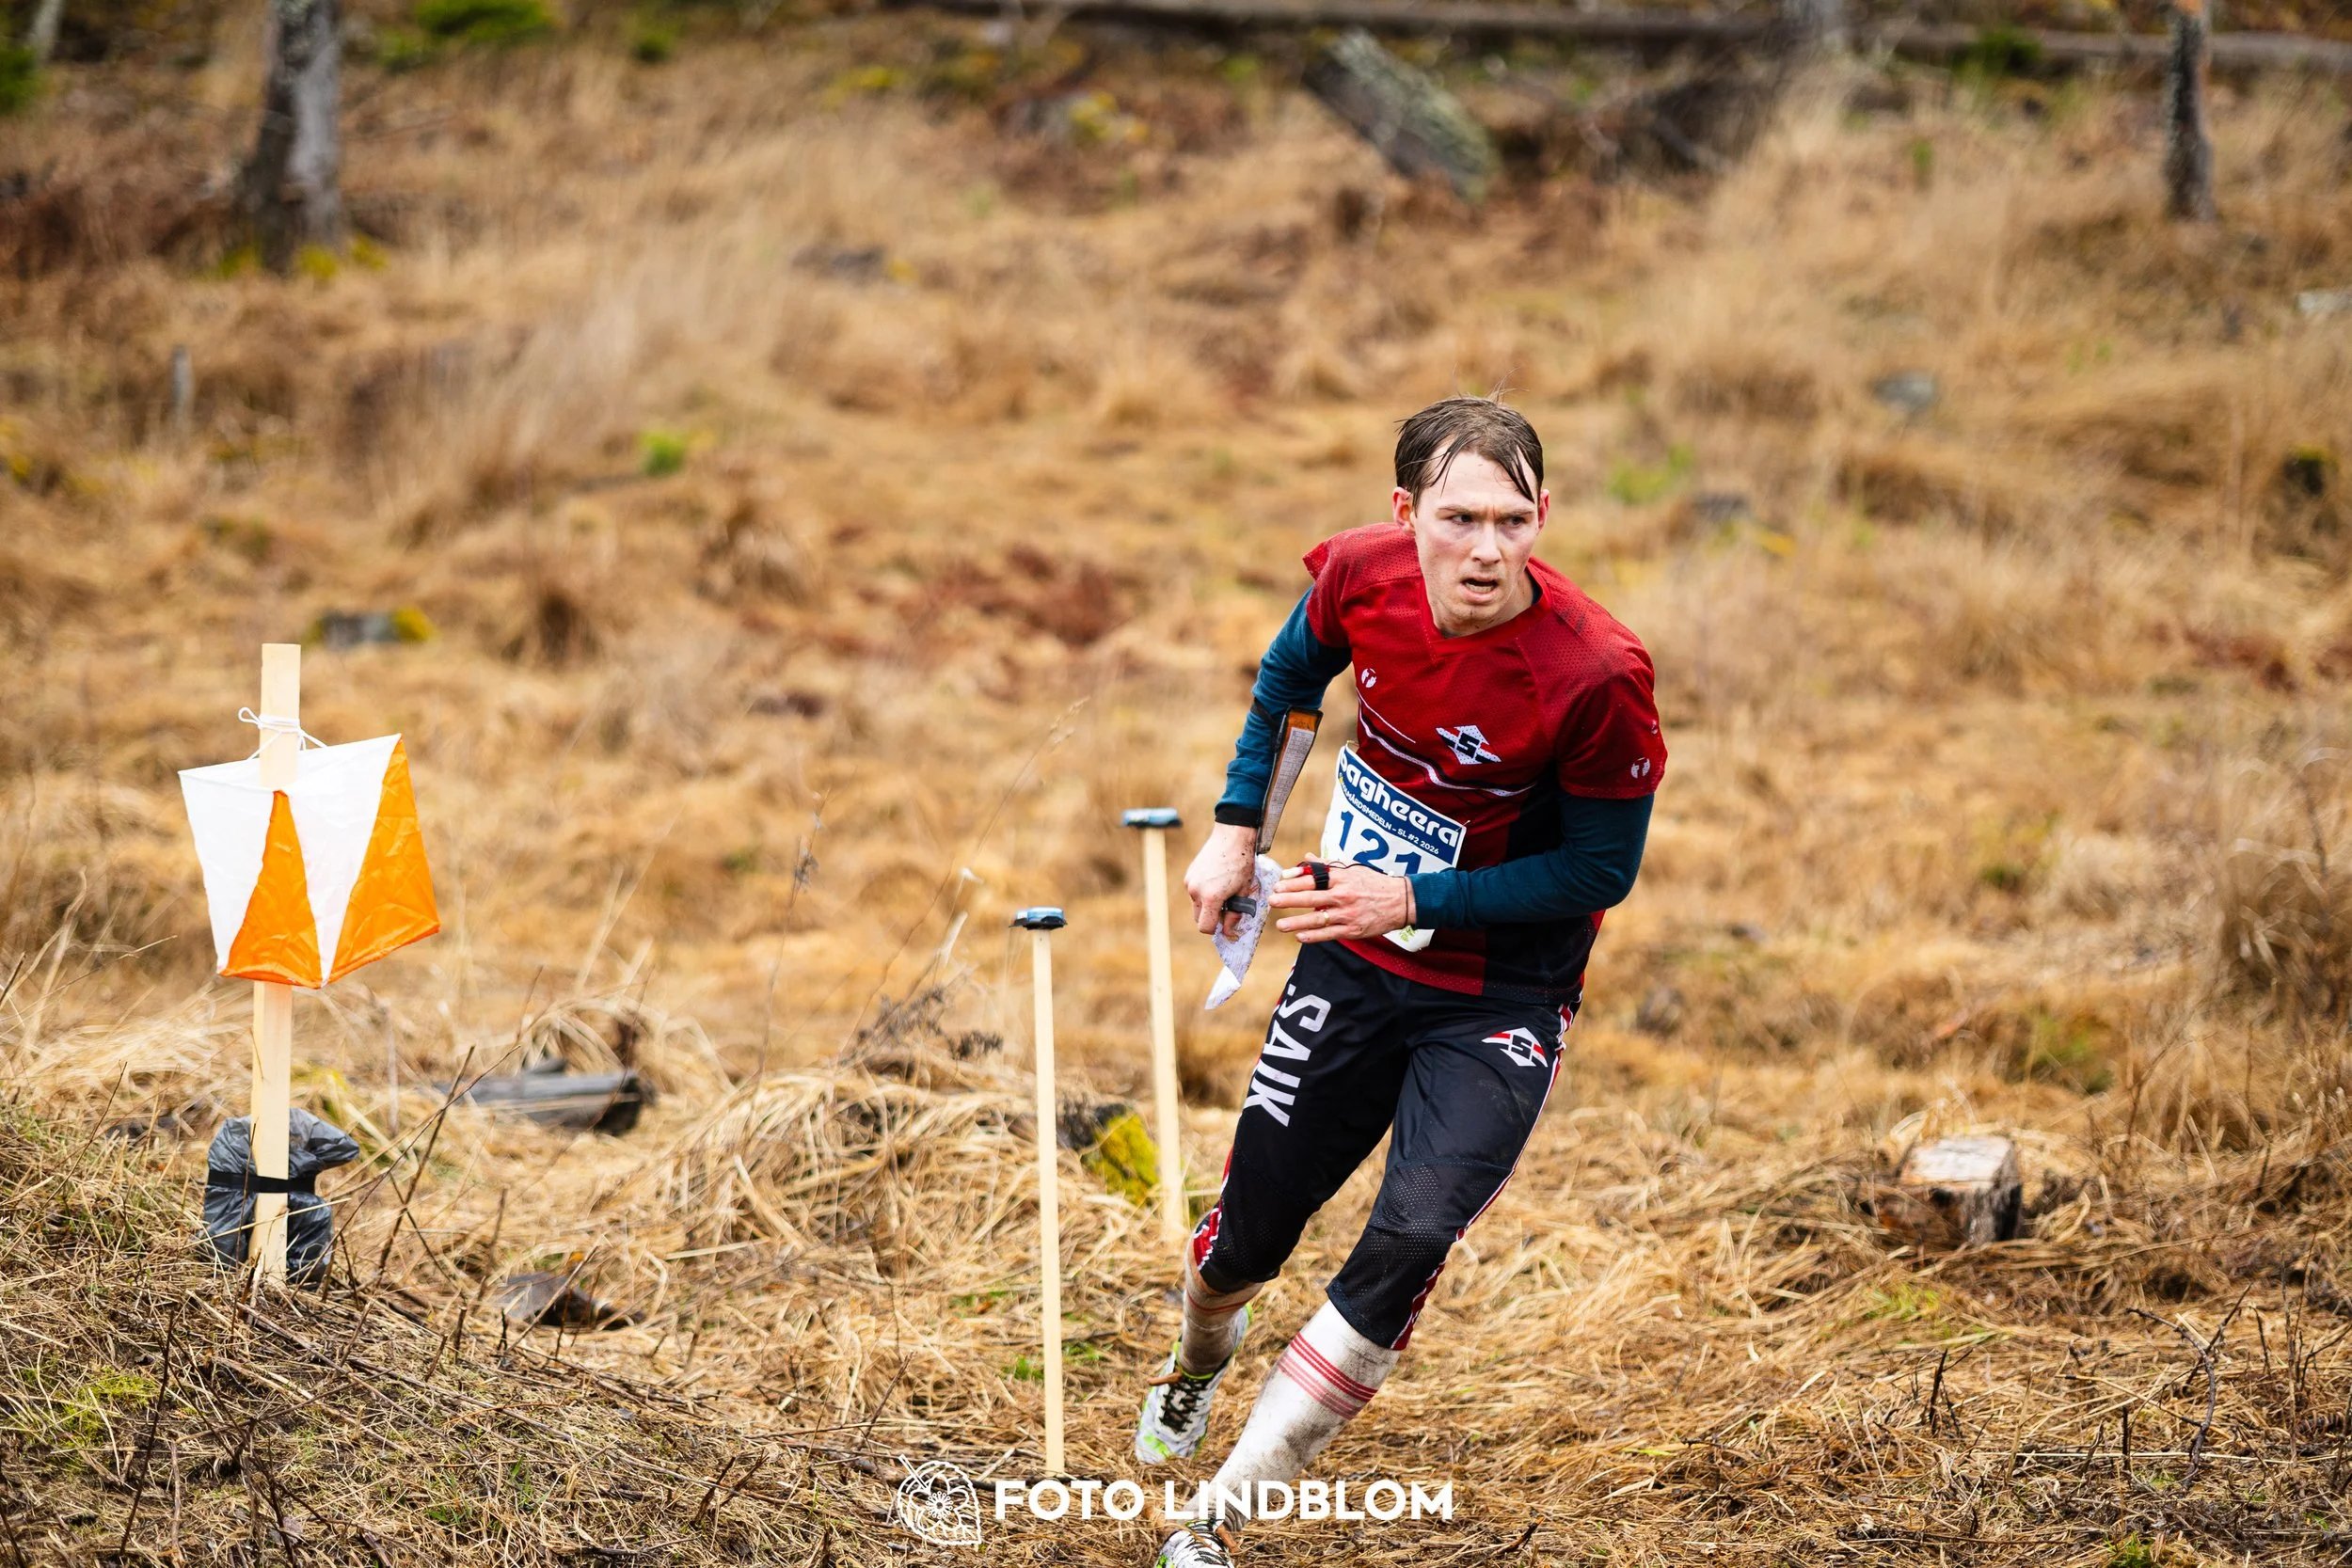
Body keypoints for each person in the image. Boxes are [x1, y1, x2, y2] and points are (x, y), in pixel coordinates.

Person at [1136, 398, 1666, 1568]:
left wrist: (1412, 896)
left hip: (1498, 996)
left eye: (1514, 520)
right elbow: (1289, 677)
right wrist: (1237, 829)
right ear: (1405, 514)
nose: (1487, 548)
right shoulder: (1360, 577)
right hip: (1351, 956)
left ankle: (1215, 1515)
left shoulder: (1594, 673)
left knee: (1413, 1229)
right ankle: (1195, 1362)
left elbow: (1600, 868)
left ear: (1543, 518)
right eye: (1460, 517)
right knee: (1241, 1243)